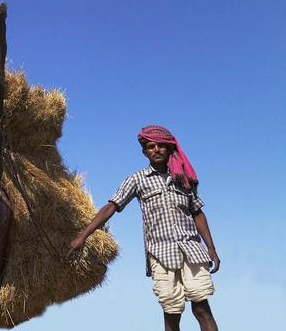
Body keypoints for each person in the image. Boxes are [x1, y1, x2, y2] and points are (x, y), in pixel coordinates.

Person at [68, 125, 220, 331]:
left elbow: (197, 213)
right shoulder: (137, 180)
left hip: (192, 250)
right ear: (144, 152)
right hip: (161, 253)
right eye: (150, 146)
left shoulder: (182, 178)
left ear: (168, 149)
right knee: (172, 312)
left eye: (160, 146)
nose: (156, 150)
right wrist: (83, 235)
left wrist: (211, 248)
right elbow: (112, 206)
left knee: (202, 308)